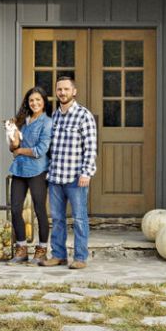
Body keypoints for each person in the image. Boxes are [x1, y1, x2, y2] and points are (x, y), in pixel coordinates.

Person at [38, 72, 97, 269]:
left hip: (75, 178)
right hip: (55, 177)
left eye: (66, 89)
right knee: (57, 219)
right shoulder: (54, 116)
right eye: (59, 89)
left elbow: (90, 147)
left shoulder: (84, 115)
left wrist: (86, 172)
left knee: (79, 219)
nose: (62, 92)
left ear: (74, 91)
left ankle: (80, 258)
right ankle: (58, 255)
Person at [7, 86, 52, 264]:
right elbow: (12, 148)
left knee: (39, 210)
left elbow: (40, 150)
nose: (34, 103)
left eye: (38, 100)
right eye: (31, 100)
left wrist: (20, 150)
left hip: (38, 171)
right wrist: (12, 137)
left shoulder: (47, 122)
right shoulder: (22, 121)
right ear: (28, 102)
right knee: (16, 209)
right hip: (19, 170)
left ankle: (41, 250)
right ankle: (21, 249)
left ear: (43, 102)